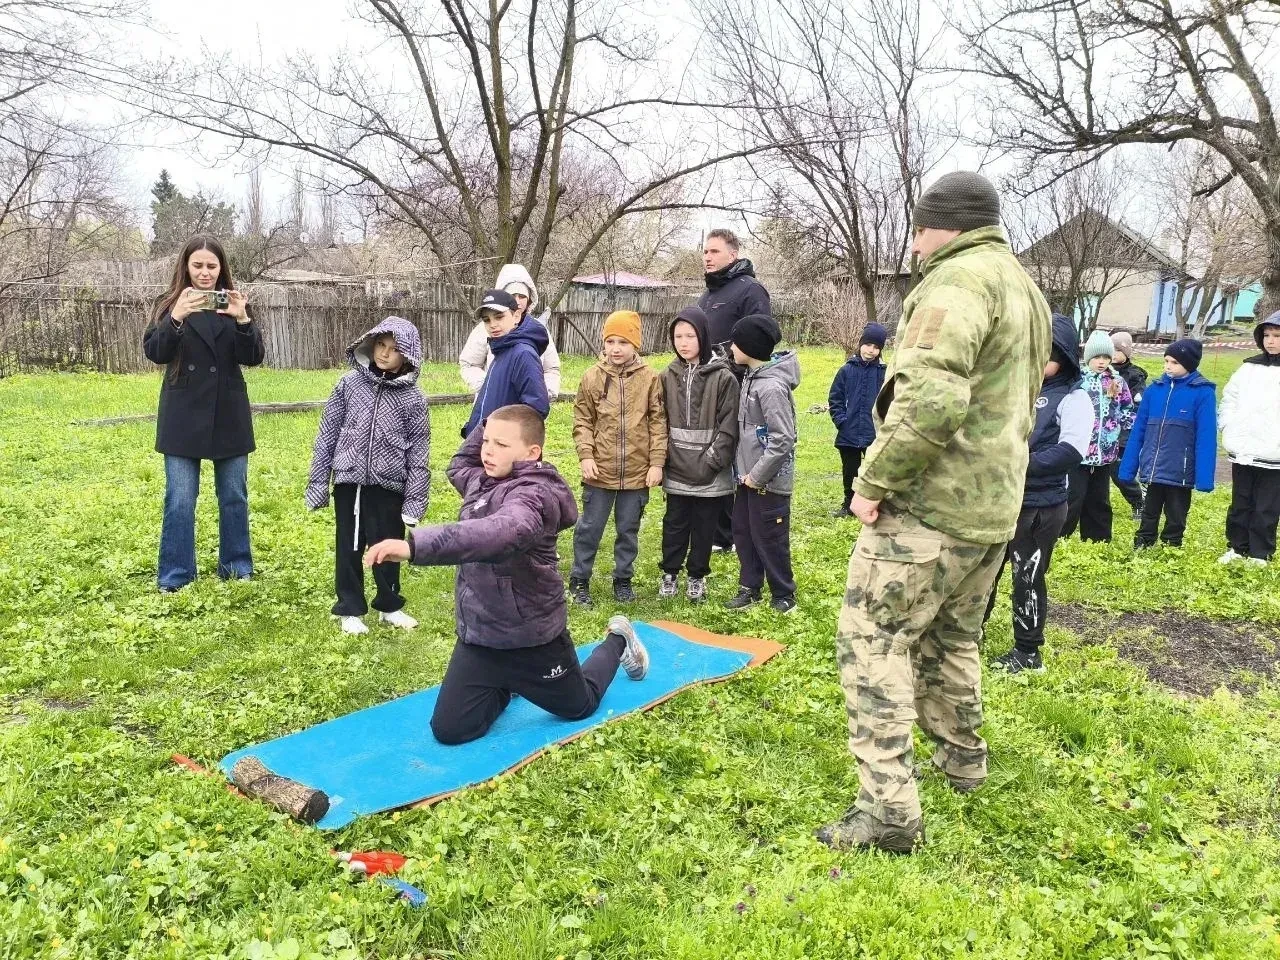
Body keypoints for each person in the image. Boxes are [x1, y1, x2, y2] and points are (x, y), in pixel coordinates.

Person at [816, 171, 1051, 854]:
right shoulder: (1022, 285)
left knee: (874, 642)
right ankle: (963, 762)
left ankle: (889, 811)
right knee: (952, 639)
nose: (915, 246)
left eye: (918, 231)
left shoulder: (957, 283)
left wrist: (873, 482)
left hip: (930, 508)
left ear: (940, 225)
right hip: (992, 507)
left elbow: (932, 401)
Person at [363, 405, 650, 746]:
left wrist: (415, 546)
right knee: (451, 731)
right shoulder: (482, 480)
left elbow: (500, 532)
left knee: (580, 705)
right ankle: (504, 685)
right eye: (486, 441)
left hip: (532, 639)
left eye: (501, 444)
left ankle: (618, 641)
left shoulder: (535, 495)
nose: (487, 451)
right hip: (482, 636)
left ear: (532, 453)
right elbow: (459, 465)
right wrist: (490, 415)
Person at [142, 234, 265, 592]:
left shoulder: (233, 303)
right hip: (183, 414)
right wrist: (176, 318)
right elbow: (156, 352)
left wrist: (243, 321)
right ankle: (176, 575)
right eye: (198, 265)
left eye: (212, 266)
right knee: (179, 499)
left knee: (234, 496)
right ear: (186, 266)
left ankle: (237, 567)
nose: (205, 272)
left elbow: (253, 357)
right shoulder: (168, 304)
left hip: (228, 412)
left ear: (221, 268)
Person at [306, 317, 431, 634]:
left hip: (390, 485)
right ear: (371, 344)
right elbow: (327, 435)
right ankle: (349, 609)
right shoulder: (348, 385)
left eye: (394, 349)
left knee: (388, 546)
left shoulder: (414, 398)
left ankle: (389, 605)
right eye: (381, 345)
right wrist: (319, 481)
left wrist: (415, 500)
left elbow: (419, 451)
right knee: (349, 546)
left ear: (408, 355)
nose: (385, 353)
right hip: (349, 481)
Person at [984, 313, 1091, 674]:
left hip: (1040, 505)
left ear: (1064, 356)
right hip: (1003, 499)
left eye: (1045, 354)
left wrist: (1018, 463)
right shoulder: (1018, 391)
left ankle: (1028, 652)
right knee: (984, 570)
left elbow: (1070, 451)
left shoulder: (1073, 399)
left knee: (1026, 576)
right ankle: (970, 632)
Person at [569, 311, 667, 605]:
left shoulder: (650, 378)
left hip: (637, 472)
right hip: (599, 470)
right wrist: (586, 455)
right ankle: (579, 579)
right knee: (589, 528)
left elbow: (658, 422)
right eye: (610, 341)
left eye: (623, 342)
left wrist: (656, 463)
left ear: (635, 344)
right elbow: (582, 420)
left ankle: (623, 579)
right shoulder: (592, 377)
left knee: (628, 529)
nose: (615, 348)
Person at [657, 305, 739, 603]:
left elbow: (729, 427)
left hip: (710, 472)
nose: (683, 343)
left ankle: (696, 577)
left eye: (690, 336)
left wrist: (712, 462)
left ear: (703, 336)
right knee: (674, 523)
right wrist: (666, 458)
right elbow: (659, 420)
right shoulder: (667, 375)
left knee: (704, 527)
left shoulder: (724, 378)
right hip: (676, 467)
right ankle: (669, 573)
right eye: (678, 336)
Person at [699, 228, 771, 550]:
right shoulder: (708, 295)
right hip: (708, 386)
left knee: (738, 455)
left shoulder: (751, 290)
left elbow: (761, 338)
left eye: (714, 251)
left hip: (740, 386)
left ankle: (734, 532)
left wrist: (730, 365)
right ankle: (718, 530)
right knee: (716, 451)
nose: (707, 257)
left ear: (733, 254)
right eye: (705, 251)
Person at [724, 314, 800, 614]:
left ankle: (783, 593)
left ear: (750, 347)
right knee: (744, 531)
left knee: (771, 537)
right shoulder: (751, 377)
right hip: (747, 478)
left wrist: (757, 476)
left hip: (768, 481)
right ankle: (750, 587)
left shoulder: (771, 388)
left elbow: (783, 438)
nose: (731, 347)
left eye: (735, 342)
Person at [1117, 339, 1217, 549]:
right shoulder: (1155, 390)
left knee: (1176, 511)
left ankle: (1172, 545)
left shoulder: (1203, 392)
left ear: (1189, 364)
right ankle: (1144, 541)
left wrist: (1204, 478)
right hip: (1154, 466)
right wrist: (1127, 469)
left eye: (1174, 362)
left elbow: (1206, 437)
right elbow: (1138, 432)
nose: (1168, 366)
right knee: (1150, 509)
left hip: (1181, 470)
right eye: (1166, 361)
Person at [1060, 330, 1135, 542]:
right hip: (1079, 451)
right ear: (1088, 357)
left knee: (1100, 498)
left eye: (1106, 357)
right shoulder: (1078, 380)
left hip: (1105, 452)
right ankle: (1060, 535)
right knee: (1073, 496)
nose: (1101, 362)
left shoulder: (1117, 381)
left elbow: (1127, 408)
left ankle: (1098, 538)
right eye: (1096, 357)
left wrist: (1124, 427)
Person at [1218, 311, 1280, 565]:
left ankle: (1260, 553)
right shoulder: (1248, 368)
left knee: (1266, 505)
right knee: (1240, 501)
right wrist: (1228, 425)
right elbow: (1229, 398)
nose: (1271, 341)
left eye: (1277, 336)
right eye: (1266, 335)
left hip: (1274, 452)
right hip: (1244, 448)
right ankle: (1237, 547)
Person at [459, 263, 562, 397]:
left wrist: (544, 392)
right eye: (512, 295)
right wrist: (491, 387)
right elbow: (469, 364)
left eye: (522, 296)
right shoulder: (487, 328)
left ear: (529, 299)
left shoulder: (539, 331)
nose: (518, 301)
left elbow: (551, 368)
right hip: (494, 404)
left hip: (528, 405)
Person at [461, 289, 550, 439]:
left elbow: (536, 409)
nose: (493, 325)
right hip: (486, 441)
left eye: (499, 317)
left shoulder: (523, 354)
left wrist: (503, 440)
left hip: (502, 446)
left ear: (516, 316)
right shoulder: (501, 350)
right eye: (487, 320)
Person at [828, 323, 888, 517]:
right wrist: (841, 421)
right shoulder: (846, 370)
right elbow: (835, 398)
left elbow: (890, 400)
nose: (871, 350)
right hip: (849, 431)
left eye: (876, 347)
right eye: (868, 345)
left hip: (873, 432)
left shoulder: (884, 373)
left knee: (874, 470)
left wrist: (883, 425)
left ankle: (877, 504)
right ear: (861, 344)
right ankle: (849, 504)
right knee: (850, 471)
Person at [1109, 331, 1148, 519]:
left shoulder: (1135, 376)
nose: (1114, 354)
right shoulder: (1103, 373)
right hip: (1102, 431)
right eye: (1111, 349)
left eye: (1118, 350)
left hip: (1124, 433)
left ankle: (1138, 501)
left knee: (1120, 472)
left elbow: (1138, 405)